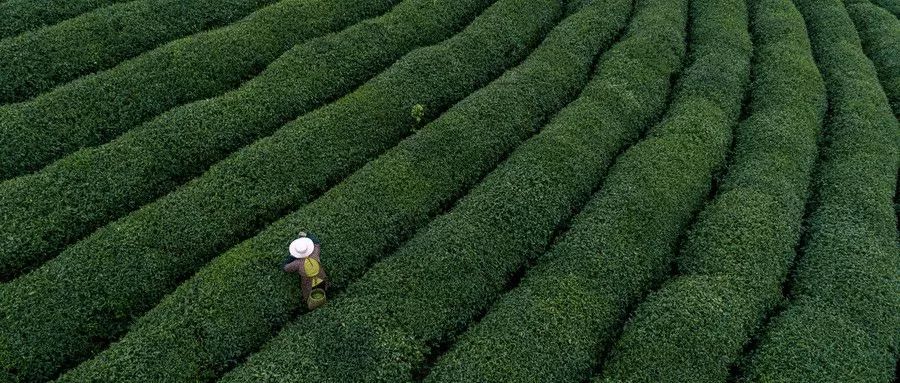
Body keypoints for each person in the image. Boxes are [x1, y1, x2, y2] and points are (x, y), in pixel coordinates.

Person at [282, 232, 329, 310]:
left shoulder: (297, 263)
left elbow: (285, 267)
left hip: (309, 286)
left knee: (311, 299)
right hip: (321, 279)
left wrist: (291, 256)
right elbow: (316, 242)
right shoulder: (315, 254)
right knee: (323, 293)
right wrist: (307, 234)